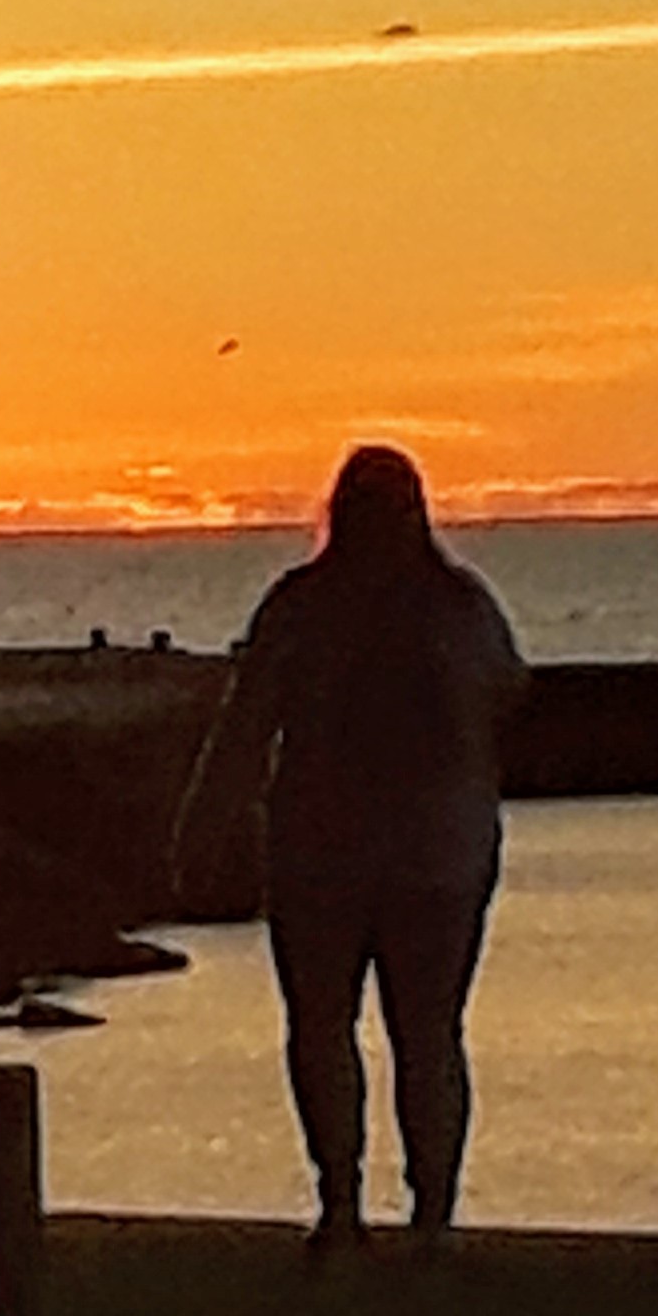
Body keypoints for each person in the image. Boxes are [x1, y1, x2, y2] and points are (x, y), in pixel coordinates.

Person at [174, 446, 529, 1246]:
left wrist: (204, 822)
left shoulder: (302, 603)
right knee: (426, 1032)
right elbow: (508, 696)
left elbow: (244, 724)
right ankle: (427, 1209)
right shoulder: (457, 605)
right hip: (434, 853)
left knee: (325, 1027)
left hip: (324, 850)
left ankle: (345, 1202)